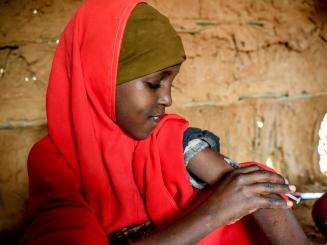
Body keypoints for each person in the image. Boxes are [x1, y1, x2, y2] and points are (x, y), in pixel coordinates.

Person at [20, 0, 308, 244]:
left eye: (172, 85)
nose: (168, 99)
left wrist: (243, 194)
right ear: (99, 81)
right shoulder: (54, 162)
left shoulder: (168, 136)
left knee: (249, 183)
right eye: (153, 84)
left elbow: (251, 191)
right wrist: (213, 213)